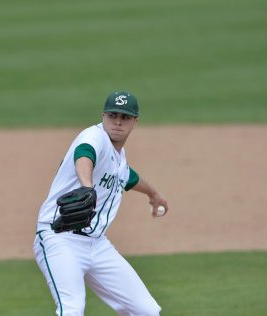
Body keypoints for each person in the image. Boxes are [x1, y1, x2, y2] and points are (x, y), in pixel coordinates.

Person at [33, 91, 169, 316]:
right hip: (60, 239)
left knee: (146, 310)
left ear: (134, 122)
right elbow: (84, 155)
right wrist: (87, 186)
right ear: (103, 116)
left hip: (97, 245)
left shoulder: (118, 155)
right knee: (72, 310)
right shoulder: (93, 137)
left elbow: (128, 176)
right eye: (113, 115)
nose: (117, 121)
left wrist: (154, 195)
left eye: (124, 117)